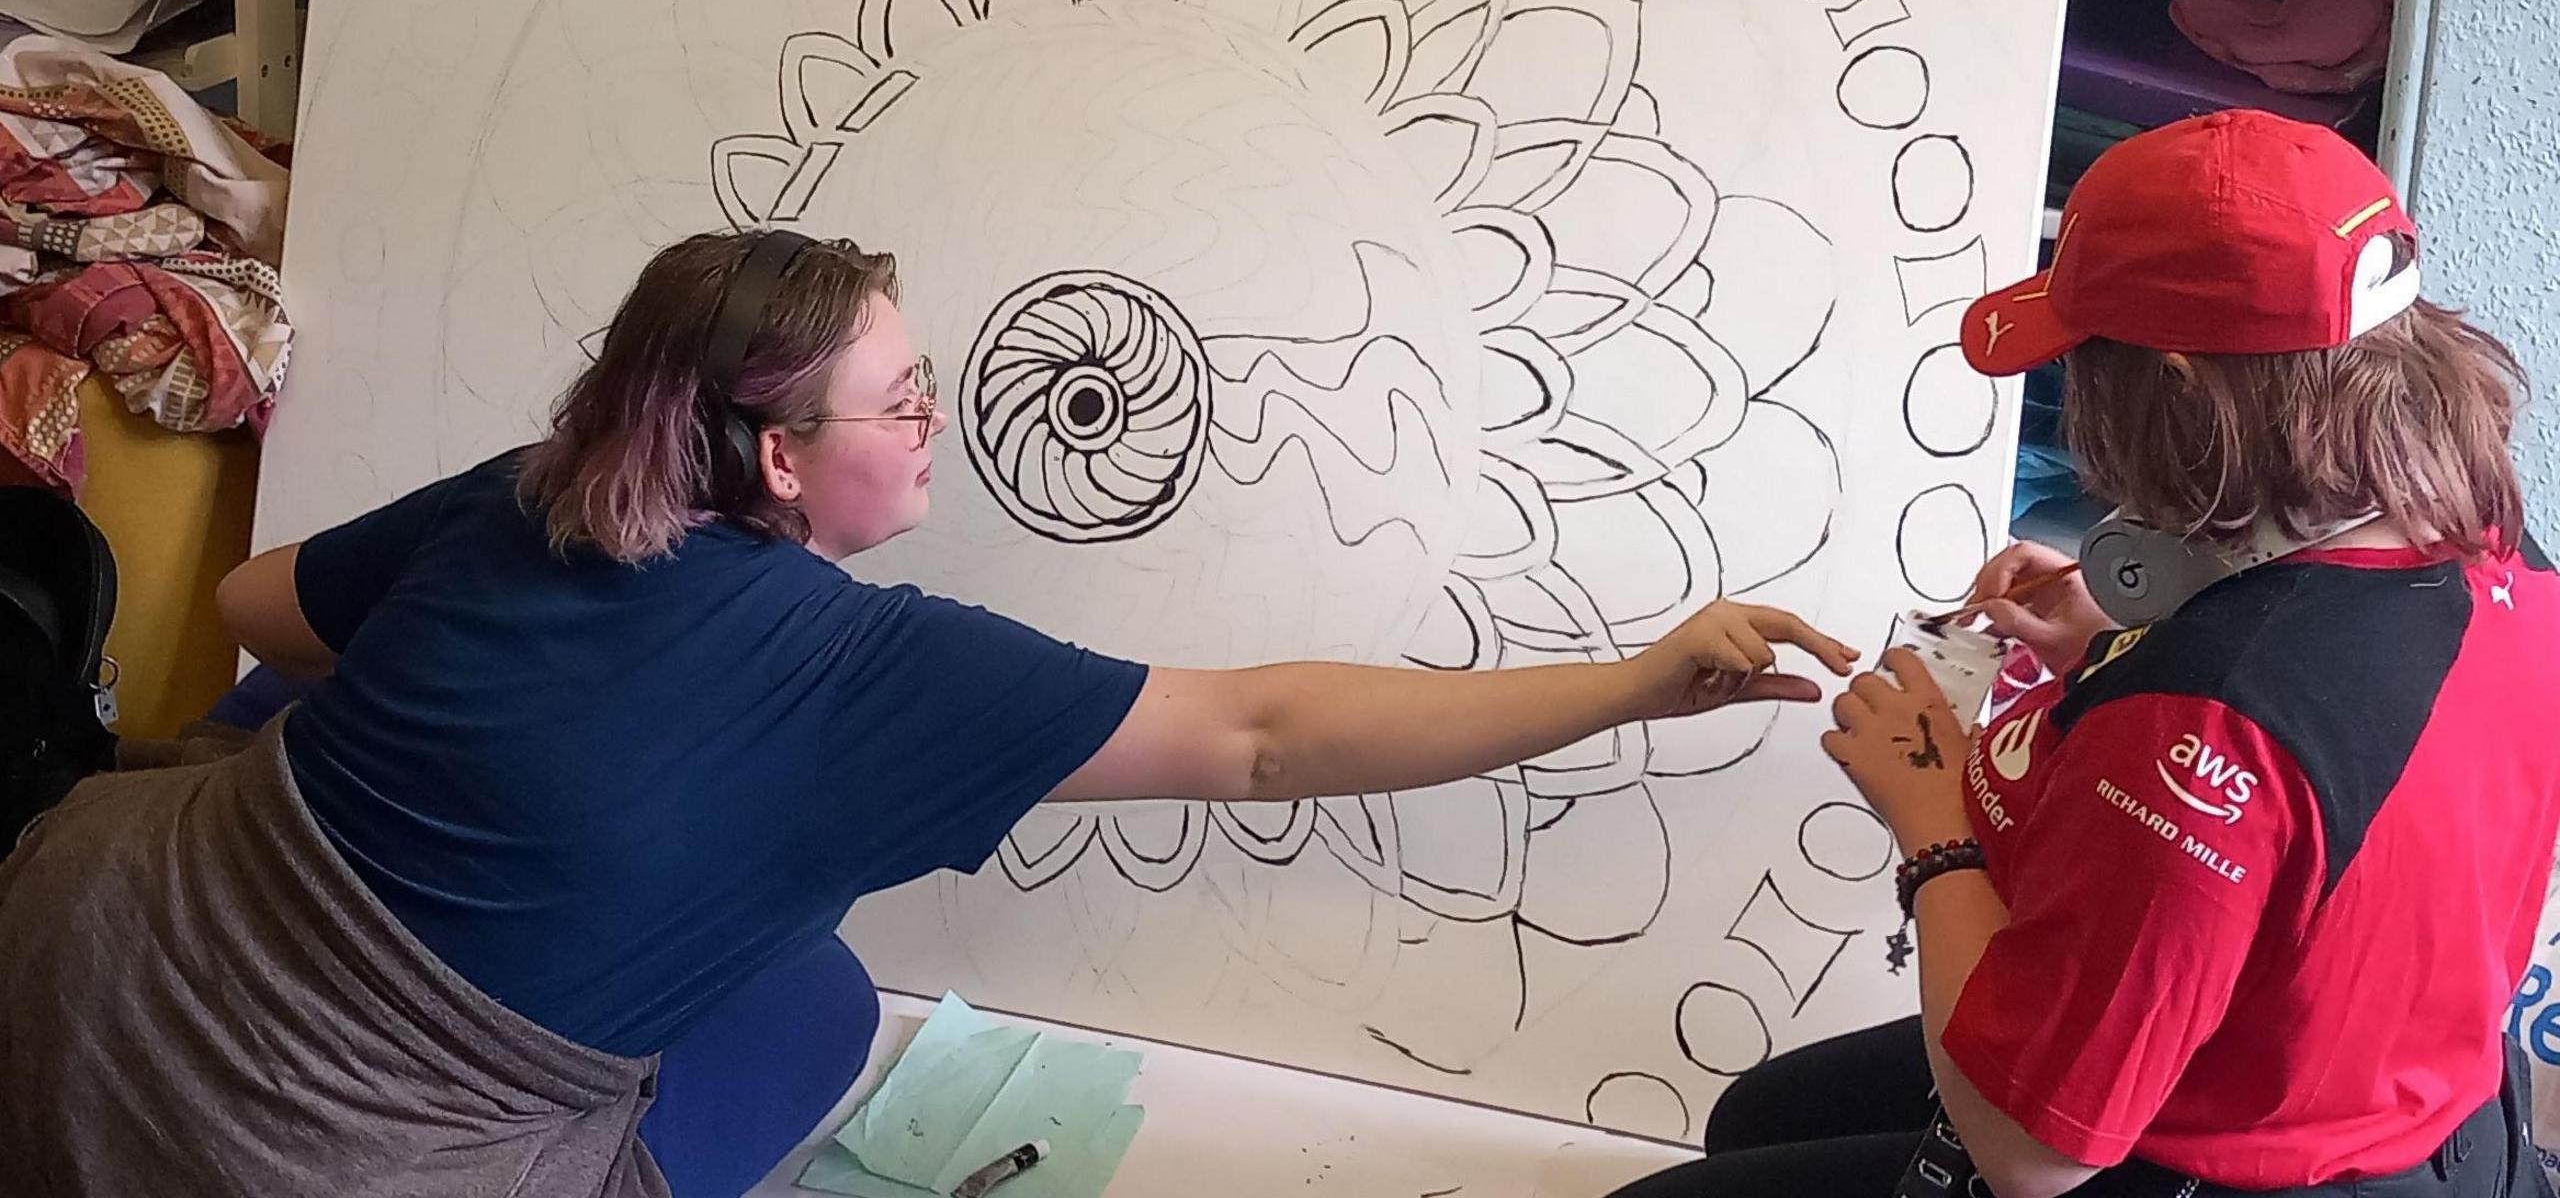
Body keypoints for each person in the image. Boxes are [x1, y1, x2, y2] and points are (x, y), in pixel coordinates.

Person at [0, 228, 1857, 1197]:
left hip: (65, 965)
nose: (944, 418)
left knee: (276, 702)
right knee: (807, 997)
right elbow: (1272, 735)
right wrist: (1632, 682)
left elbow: (256, 610)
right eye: (906, 397)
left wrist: (496, 719)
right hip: (313, 1163)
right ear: (786, 461)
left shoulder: (545, 477)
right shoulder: (876, 675)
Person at [1615, 108, 2560, 1198]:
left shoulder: (2205, 721)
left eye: (2082, 369)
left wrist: (1925, 816)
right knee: (1759, 1117)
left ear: (2175, 391)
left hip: (2224, 1160)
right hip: (2410, 1116)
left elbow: (2030, 1154)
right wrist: (2124, 640)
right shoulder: (2491, 536)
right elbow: (2350, 734)